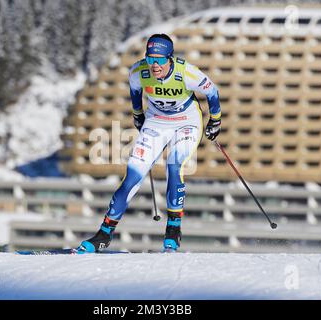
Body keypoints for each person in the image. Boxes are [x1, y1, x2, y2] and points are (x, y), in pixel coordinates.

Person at [77, 33, 222, 253]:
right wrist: (138, 115)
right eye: (151, 58)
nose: (155, 65)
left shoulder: (187, 72)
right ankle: (104, 234)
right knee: (132, 176)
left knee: (175, 166)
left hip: (187, 122)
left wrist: (215, 121)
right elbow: (135, 92)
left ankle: (173, 231)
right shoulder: (138, 71)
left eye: (160, 59)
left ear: (170, 58)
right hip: (156, 121)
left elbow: (212, 91)